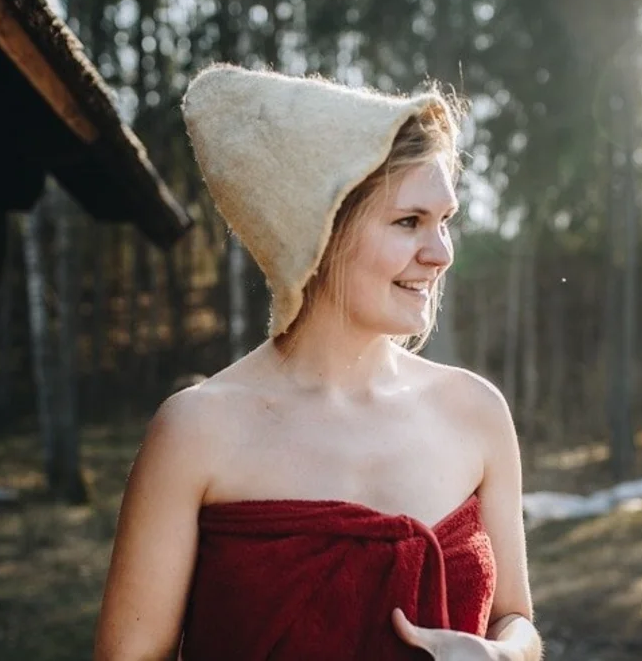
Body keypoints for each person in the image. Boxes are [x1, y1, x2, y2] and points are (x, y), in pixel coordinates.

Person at [94, 64, 541, 661]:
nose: (439, 254)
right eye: (408, 222)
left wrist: (504, 655)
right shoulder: (195, 431)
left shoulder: (476, 412)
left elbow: (516, 619)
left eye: (444, 222)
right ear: (320, 234)